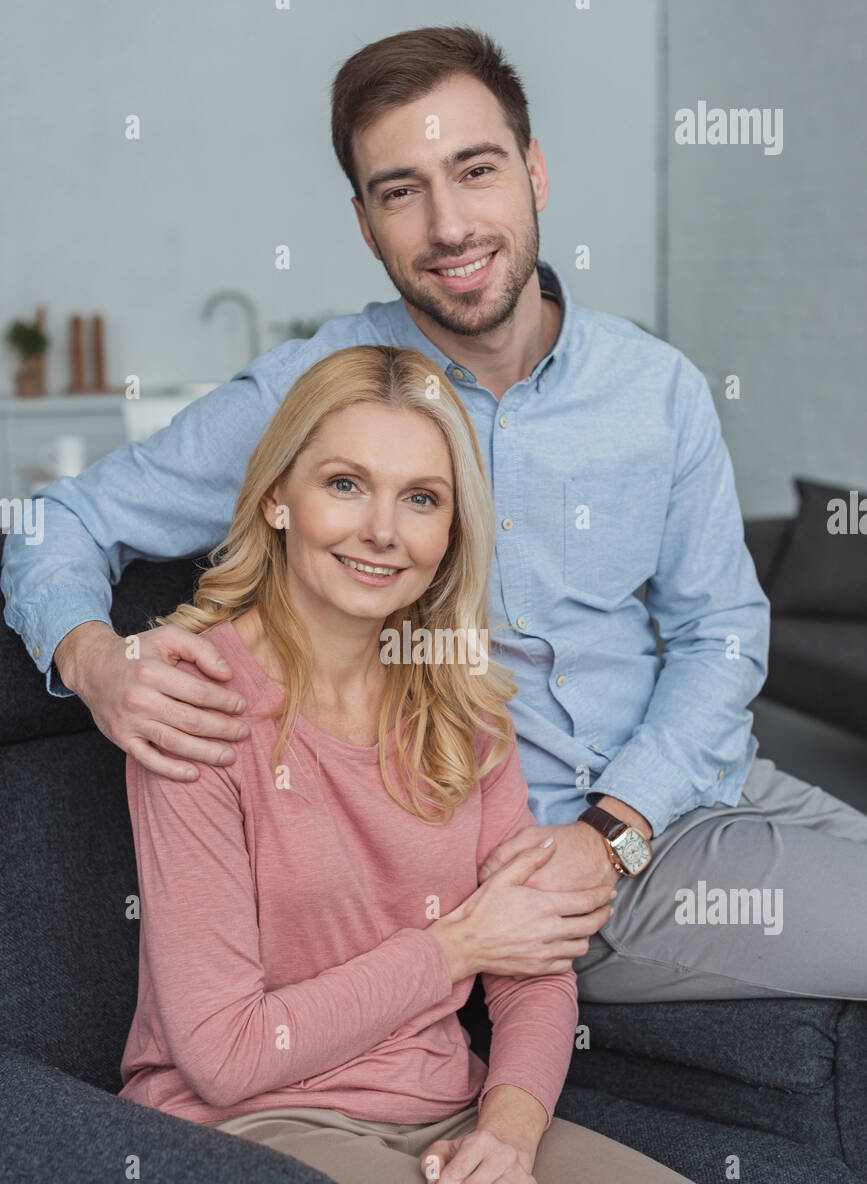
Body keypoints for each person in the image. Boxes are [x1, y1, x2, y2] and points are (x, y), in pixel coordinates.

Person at [3, 26, 864, 1010]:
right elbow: (55, 520)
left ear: (534, 173)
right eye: (401, 190)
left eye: (476, 169)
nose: (449, 224)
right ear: (367, 225)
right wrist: (92, 660)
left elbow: (721, 627)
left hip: (690, 785)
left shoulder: (655, 387)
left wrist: (623, 821)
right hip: (533, 864)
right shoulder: (317, 397)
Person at [116, 342, 814, 1184]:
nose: (381, 531)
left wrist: (508, 1128)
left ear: (452, 529)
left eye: (421, 498)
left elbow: (532, 969)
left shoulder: (464, 708)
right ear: (277, 498)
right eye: (346, 483)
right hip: (258, 1124)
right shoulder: (194, 703)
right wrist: (455, 947)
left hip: (447, 1107)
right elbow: (227, 1054)